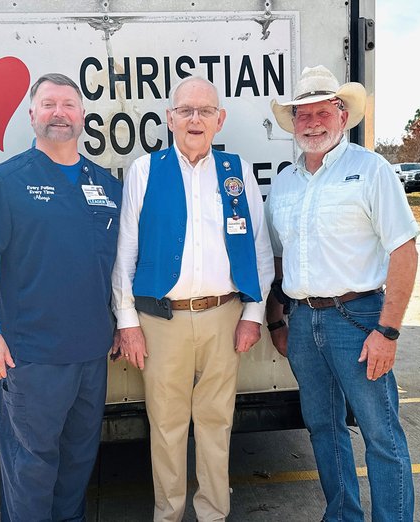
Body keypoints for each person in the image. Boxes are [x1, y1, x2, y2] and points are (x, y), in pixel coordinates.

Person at [112, 76, 274, 522]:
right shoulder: (144, 170)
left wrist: (253, 315)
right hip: (162, 321)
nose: (195, 119)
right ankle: (168, 513)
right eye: (186, 110)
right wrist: (127, 322)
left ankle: (213, 514)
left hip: (225, 314)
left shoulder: (237, 170)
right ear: (170, 118)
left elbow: (259, 249)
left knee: (216, 422)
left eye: (205, 110)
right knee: (165, 426)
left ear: (220, 119)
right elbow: (126, 251)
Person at [0, 73, 122, 522]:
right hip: (30, 358)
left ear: (83, 116)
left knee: (77, 464)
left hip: (91, 355)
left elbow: (120, 266)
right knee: (30, 470)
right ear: (31, 114)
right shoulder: (6, 181)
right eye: (48, 104)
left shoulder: (107, 187)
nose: (59, 113)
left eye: (68, 105)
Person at [265, 65, 418, 521]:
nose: (312, 122)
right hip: (303, 320)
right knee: (323, 428)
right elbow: (278, 260)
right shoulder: (285, 183)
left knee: (381, 434)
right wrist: (277, 319)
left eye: (321, 112)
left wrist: (387, 331)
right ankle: (343, 515)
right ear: (293, 123)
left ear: (341, 113)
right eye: (302, 114)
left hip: (359, 319)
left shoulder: (371, 170)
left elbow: (404, 252)